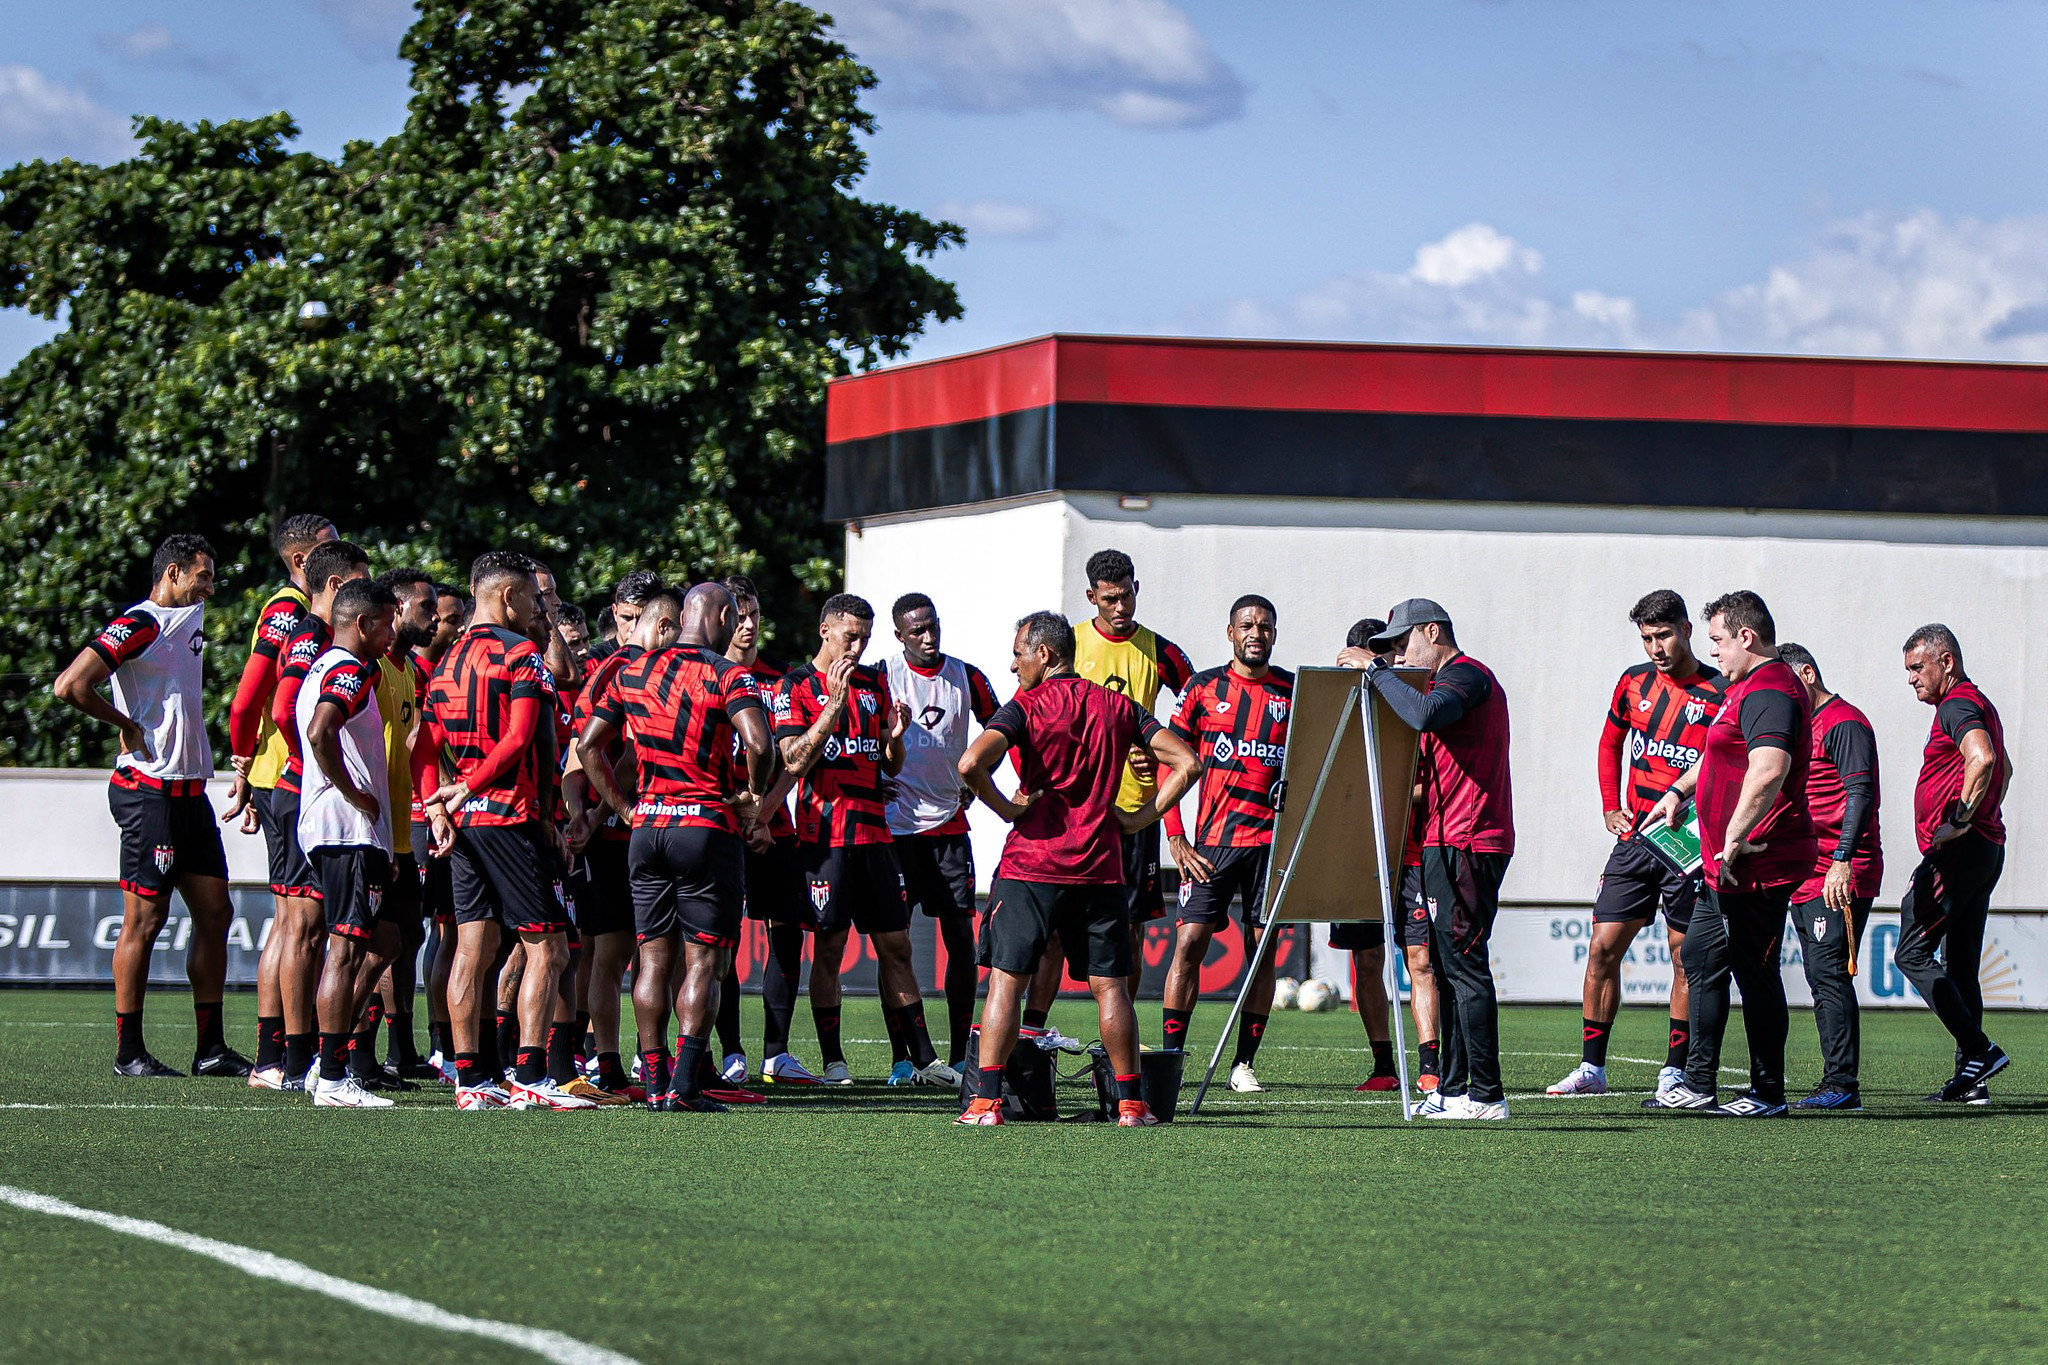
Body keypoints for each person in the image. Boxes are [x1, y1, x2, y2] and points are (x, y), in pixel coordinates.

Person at [955, 611, 1200, 1127]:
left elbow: (970, 764)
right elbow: (1188, 762)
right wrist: (1139, 818)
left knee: (1006, 982)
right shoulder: (1118, 706)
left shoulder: (1025, 706)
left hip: (1031, 865)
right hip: (1099, 866)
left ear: (1044, 654)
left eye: (1019, 652)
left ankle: (985, 1103)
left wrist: (1006, 810)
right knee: (1111, 989)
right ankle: (1132, 1104)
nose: (1013, 662)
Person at [54, 534, 248, 1078]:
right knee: (146, 918)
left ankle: (210, 1050)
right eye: (202, 576)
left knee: (216, 914)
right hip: (149, 792)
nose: (211, 586)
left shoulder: (191, 616)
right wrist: (126, 725)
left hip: (190, 793)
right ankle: (129, 1052)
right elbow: (69, 685)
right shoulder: (140, 622)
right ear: (172, 574)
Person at [580, 585, 775, 1112]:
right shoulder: (727, 673)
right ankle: (685, 1086)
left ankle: (655, 1083)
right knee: (703, 962)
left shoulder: (631, 670)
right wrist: (753, 796)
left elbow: (588, 745)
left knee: (651, 962)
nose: (736, 626)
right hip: (704, 827)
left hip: (646, 830)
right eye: (732, 617)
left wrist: (622, 809)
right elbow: (760, 744)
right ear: (715, 616)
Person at [417, 551, 593, 1111]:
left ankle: (471, 1079)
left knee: (474, 944)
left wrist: (437, 805)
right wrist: (539, 812)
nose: (540, 610)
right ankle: (529, 1075)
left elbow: (424, 746)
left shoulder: (443, 663)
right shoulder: (520, 654)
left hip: (465, 821)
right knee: (549, 948)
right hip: (509, 815)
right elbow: (524, 739)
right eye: (534, 600)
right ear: (509, 597)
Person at [1643, 591, 1815, 1118]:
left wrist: (1735, 838)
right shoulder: (1745, 689)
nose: (1713, 651)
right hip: (1727, 866)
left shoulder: (1771, 689)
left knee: (1755, 971)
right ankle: (1698, 1082)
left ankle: (1767, 1093)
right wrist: (1677, 792)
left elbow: (1768, 769)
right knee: (1699, 956)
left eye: (1718, 639)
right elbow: (1719, 756)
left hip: (1755, 863)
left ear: (1746, 637)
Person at [774, 594, 957, 1087]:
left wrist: (895, 737)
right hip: (824, 839)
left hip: (875, 835)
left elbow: (888, 763)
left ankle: (925, 1060)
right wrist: (831, 709)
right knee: (829, 950)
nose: (857, 646)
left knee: (896, 947)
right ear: (824, 631)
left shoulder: (874, 683)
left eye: (865, 638)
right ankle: (834, 1062)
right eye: (849, 636)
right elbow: (792, 759)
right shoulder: (796, 686)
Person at [1548, 590, 1724, 1100]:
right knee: (1603, 948)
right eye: (1647, 638)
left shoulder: (1718, 691)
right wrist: (1609, 804)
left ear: (1688, 629)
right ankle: (1592, 1069)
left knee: (1683, 955)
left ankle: (1674, 1069)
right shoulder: (1632, 682)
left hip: (1687, 844)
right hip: (1635, 839)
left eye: (1664, 635)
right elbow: (1610, 742)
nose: (1656, 648)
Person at [1354, 600, 1515, 1120]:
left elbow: (1426, 713)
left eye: (1403, 645)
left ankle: (1487, 1096)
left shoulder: (1469, 675)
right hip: (1446, 841)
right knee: (1447, 969)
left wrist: (1376, 671)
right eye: (1391, 651)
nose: (1398, 656)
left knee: (1465, 968)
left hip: (1471, 841)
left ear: (1432, 632)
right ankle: (1451, 1091)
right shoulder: (1448, 680)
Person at [1034, 548, 1194, 1038]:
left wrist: (1161, 749)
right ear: (1091, 597)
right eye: (1109, 600)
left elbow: (1201, 713)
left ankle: (1119, 1041)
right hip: (1074, 811)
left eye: (1126, 596)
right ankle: (1033, 1031)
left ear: (1136, 590)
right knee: (1056, 934)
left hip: (1133, 814)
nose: (1120, 607)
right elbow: (1038, 708)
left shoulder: (1162, 653)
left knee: (1128, 933)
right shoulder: (1070, 645)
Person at [1160, 595, 1292, 1093]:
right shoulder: (1201, 688)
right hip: (1212, 843)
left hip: (1270, 847)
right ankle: (1171, 1058)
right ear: (1230, 632)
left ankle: (1243, 1065)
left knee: (1262, 952)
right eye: (1247, 625)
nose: (1256, 632)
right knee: (1189, 943)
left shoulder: (1292, 692)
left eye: (1265, 625)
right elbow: (1170, 763)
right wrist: (1174, 833)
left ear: (1274, 634)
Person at [224, 512, 337, 1082]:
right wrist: (246, 765)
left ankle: (278, 1054)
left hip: (276, 773)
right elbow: (249, 700)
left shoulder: (291, 612)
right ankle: (283, 1057)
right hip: (286, 774)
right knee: (300, 921)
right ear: (302, 561)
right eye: (329, 551)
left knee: (289, 918)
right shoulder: (290, 613)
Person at [257, 539, 373, 1089]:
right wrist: (325, 775)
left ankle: (290, 1060)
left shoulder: (336, 647)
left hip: (312, 795)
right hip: (308, 794)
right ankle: (291, 1060)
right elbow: (285, 711)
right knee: (302, 930)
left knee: (302, 931)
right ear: (335, 588)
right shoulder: (314, 639)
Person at [883, 592, 1002, 1074]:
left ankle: (958, 1055)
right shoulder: (882, 675)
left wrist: (977, 783)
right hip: (895, 831)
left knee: (961, 942)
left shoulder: (967, 676)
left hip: (950, 827)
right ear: (900, 636)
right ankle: (903, 1059)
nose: (929, 638)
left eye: (933, 627)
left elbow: (1001, 729)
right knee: (895, 944)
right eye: (917, 631)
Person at [297, 578, 405, 1108]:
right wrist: (354, 794)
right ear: (363, 624)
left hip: (347, 833)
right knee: (345, 949)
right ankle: (335, 1077)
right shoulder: (347, 669)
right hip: (346, 831)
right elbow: (322, 732)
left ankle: (326, 1061)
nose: (393, 632)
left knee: (384, 943)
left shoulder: (326, 665)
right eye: (388, 621)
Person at [560, 569, 667, 1100]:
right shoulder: (612, 670)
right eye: (622, 619)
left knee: (657, 956)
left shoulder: (673, 667)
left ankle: (656, 1062)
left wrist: (594, 813)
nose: (627, 631)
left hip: (656, 827)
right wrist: (596, 813)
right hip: (626, 834)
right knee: (609, 954)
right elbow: (588, 755)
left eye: (637, 620)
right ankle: (611, 1063)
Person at [1897, 624, 2014, 1104]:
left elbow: (1984, 761)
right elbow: (2004, 770)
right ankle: (1971, 1078)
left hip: (1964, 852)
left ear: (1946, 662)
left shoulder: (1957, 704)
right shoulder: (1976, 702)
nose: (1910, 679)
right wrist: (1983, 819)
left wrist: (1963, 821)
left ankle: (1977, 1048)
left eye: (1917, 668)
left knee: (1910, 951)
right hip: (1983, 850)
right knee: (1962, 964)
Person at [721, 575, 818, 1086]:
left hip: (774, 828)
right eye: (738, 613)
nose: (748, 623)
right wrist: (740, 814)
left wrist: (762, 813)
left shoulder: (780, 677)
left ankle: (776, 1054)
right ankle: (731, 1052)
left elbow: (790, 755)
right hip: (718, 824)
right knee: (719, 942)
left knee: (785, 936)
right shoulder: (706, 674)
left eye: (754, 612)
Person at [1777, 642, 1881, 1111]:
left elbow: (1861, 792)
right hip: (1805, 869)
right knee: (1820, 975)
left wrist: (1841, 858)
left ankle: (1842, 1085)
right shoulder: (1801, 726)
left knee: (1829, 974)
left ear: (1808, 673)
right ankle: (1834, 1082)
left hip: (1839, 869)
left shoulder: (1845, 722)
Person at [1329, 617, 1428, 1093]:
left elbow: (1428, 782)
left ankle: (1433, 1064)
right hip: (1355, 853)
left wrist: (1392, 794)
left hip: (1409, 854)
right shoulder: (1340, 706)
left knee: (1421, 958)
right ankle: (1384, 1064)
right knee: (1366, 962)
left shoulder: (1411, 704)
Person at [367, 568, 440, 1083]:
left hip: (403, 821)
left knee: (404, 936)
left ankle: (395, 1048)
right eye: (425, 609)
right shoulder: (367, 669)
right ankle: (344, 1053)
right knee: (369, 941)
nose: (433, 619)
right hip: (374, 823)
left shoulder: (411, 670)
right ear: (395, 608)